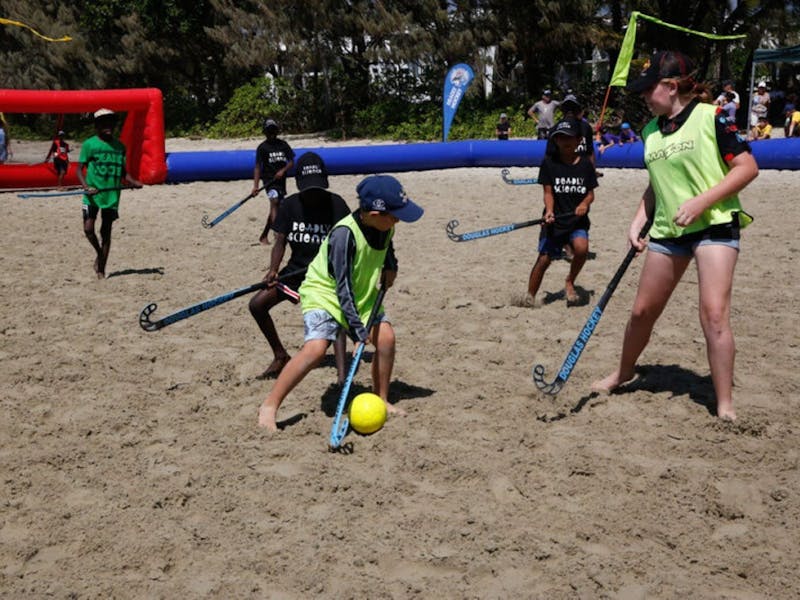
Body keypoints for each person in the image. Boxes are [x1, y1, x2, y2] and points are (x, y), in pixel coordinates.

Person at [592, 50, 759, 421]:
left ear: (669, 87)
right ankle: (623, 372)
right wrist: (638, 220)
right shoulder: (651, 131)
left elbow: (748, 168)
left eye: (647, 90)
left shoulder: (711, 117)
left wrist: (701, 202)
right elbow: (657, 183)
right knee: (641, 311)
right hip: (669, 230)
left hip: (714, 224)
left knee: (713, 315)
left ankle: (725, 405)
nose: (642, 98)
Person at [257, 174, 424, 431]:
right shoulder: (344, 235)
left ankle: (382, 398)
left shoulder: (385, 226)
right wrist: (358, 333)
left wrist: (391, 266)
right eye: (394, 215)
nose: (398, 220)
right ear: (375, 214)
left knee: (387, 339)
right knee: (315, 350)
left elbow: (388, 249)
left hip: (362, 292)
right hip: (325, 293)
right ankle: (270, 406)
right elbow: (341, 286)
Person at [249, 151, 351, 382]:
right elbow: (280, 241)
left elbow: (348, 242)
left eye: (317, 188)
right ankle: (280, 356)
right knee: (257, 305)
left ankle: (343, 377)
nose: (313, 195)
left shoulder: (336, 204)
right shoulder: (290, 205)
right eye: (309, 189)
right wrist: (273, 270)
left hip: (327, 276)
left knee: (335, 316)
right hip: (296, 272)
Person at [526, 119, 598, 307]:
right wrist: (549, 211)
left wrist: (584, 204)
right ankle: (529, 296)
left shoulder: (585, 165)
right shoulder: (549, 164)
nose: (565, 141)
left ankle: (570, 281)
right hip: (554, 221)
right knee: (544, 260)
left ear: (578, 140)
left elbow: (590, 195)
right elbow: (548, 193)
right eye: (560, 138)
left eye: (569, 137)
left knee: (582, 248)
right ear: (555, 141)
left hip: (577, 221)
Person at [76, 108, 143, 279]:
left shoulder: (120, 147)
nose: (109, 126)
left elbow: (123, 172)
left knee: (106, 232)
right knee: (88, 229)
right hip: (92, 195)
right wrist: (86, 186)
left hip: (112, 196)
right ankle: (99, 254)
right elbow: (79, 169)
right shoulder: (89, 144)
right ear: (97, 125)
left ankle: (101, 270)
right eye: (104, 123)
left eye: (111, 123)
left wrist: (132, 181)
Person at [251, 118, 295, 245]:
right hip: (269, 181)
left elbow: (291, 162)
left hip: (281, 181)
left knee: (277, 208)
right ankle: (278, 233)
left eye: (273, 130)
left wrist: (283, 170)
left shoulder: (283, 145)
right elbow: (258, 167)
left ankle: (264, 235)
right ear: (265, 132)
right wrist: (256, 186)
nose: (271, 133)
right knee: (274, 201)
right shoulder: (262, 148)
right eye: (269, 131)